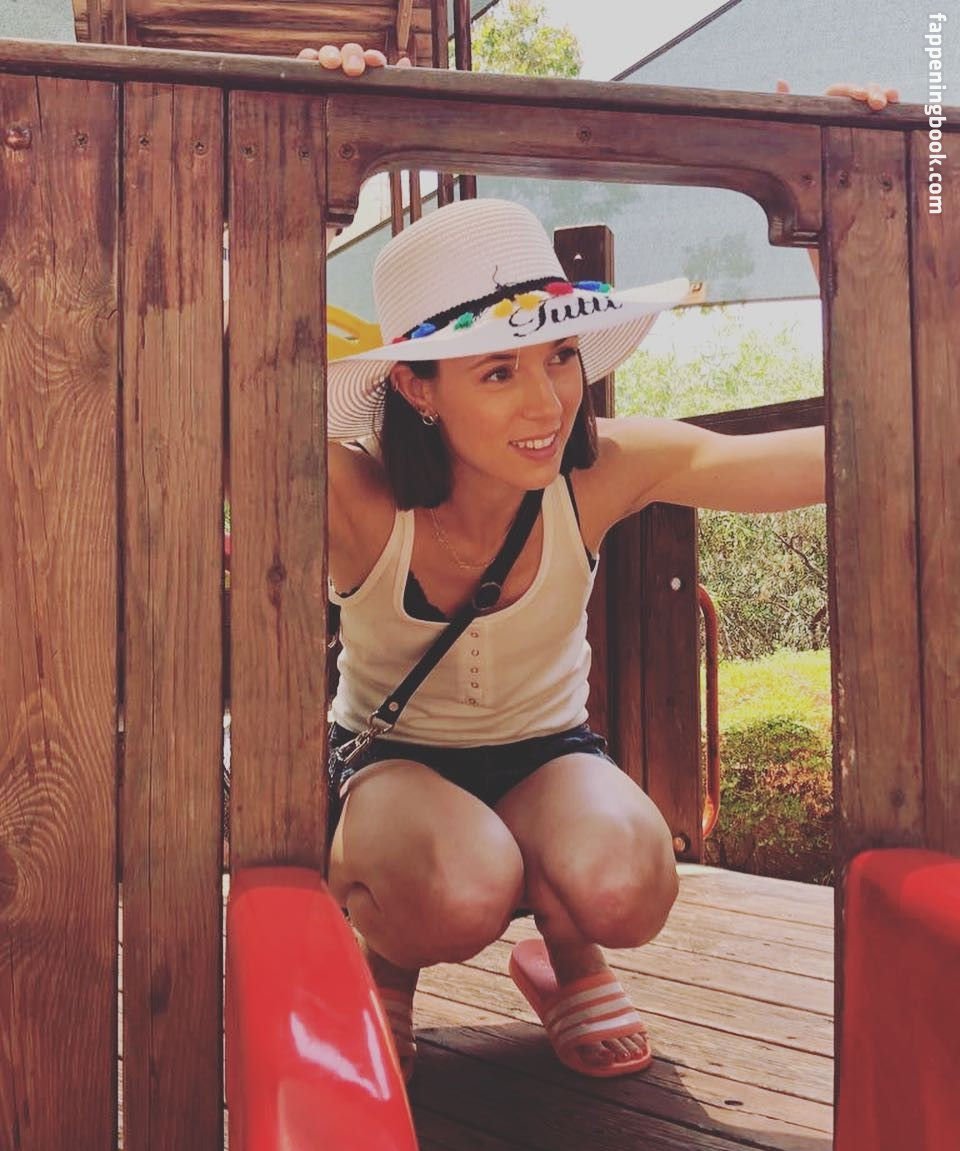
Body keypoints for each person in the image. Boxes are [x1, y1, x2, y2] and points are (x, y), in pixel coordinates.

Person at [304, 43, 899, 1081]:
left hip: (548, 755)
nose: (547, 403)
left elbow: (840, 458)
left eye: (559, 356)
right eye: (498, 371)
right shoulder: (357, 498)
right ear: (417, 388)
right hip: (395, 770)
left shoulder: (604, 470)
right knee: (455, 887)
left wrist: (858, 211)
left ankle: (566, 953)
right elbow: (205, 383)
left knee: (630, 876)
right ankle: (387, 965)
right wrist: (288, 151)